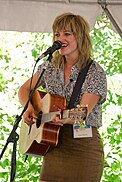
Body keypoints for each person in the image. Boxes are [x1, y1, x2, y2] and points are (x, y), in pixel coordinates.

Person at [18, 12, 107, 182]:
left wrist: (64, 118)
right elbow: (24, 89)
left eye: (67, 34)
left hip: (83, 146)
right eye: (57, 34)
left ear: (80, 37)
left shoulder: (94, 71)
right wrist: (28, 108)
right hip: (53, 143)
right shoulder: (50, 66)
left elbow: (82, 113)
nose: (60, 38)